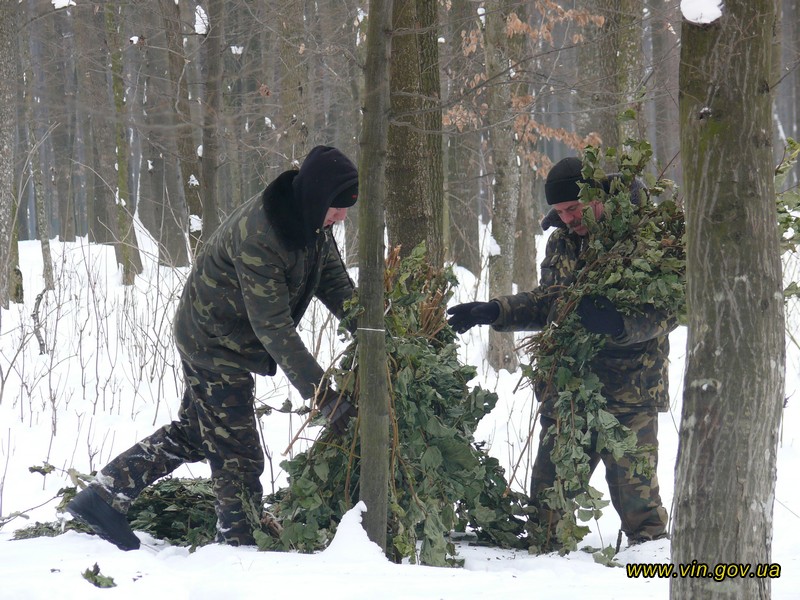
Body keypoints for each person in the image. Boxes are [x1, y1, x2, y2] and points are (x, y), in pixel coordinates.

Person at [67, 145, 359, 550]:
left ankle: (100, 497)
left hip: (229, 337)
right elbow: (273, 328)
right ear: (317, 196)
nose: (342, 217)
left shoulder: (313, 225)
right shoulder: (263, 234)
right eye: (338, 207)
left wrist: (374, 332)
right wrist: (324, 396)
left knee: (196, 433)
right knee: (237, 453)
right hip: (213, 341)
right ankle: (238, 544)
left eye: (347, 209)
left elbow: (335, 285)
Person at [447, 156, 674, 548]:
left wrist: (618, 324)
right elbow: (549, 302)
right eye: (560, 212)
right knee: (545, 521)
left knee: (643, 518)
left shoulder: (644, 237)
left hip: (629, 393)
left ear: (596, 196)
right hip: (568, 391)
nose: (568, 219)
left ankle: (651, 577)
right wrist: (495, 310)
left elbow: (667, 310)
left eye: (574, 209)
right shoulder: (562, 240)